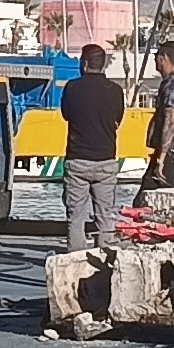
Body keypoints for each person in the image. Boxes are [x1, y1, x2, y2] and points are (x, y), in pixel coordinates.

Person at [58, 43, 127, 251]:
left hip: (78, 160)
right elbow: (118, 120)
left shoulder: (72, 88)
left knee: (76, 216)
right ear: (103, 65)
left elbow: (66, 115)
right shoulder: (116, 91)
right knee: (105, 216)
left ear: (85, 63)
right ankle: (105, 258)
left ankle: (75, 259)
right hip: (106, 160)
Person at [134, 41, 174, 202]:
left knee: (144, 200)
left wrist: (161, 159)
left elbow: (171, 118)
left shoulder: (171, 84)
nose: (155, 61)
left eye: (157, 56)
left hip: (169, 154)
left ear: (164, 58)